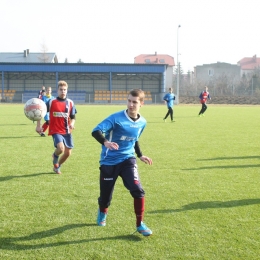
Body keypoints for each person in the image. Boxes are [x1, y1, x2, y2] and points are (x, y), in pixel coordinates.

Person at [91, 89, 153, 236]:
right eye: (129, 101)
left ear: (142, 104)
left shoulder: (142, 122)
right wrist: (106, 142)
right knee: (105, 198)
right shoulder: (116, 118)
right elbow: (96, 131)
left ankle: (140, 224)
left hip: (128, 160)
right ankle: (102, 212)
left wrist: (140, 155)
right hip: (109, 161)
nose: (131, 105)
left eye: (135, 102)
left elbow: (135, 139)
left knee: (138, 190)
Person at [37, 80, 77, 174]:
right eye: (61, 89)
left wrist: (72, 124)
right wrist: (38, 126)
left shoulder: (70, 103)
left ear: (67, 91)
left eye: (64, 89)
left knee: (67, 153)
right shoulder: (52, 102)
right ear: (57, 91)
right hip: (56, 130)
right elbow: (40, 112)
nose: (63, 91)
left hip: (67, 130)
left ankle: (57, 166)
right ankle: (55, 156)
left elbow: (73, 117)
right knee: (61, 149)